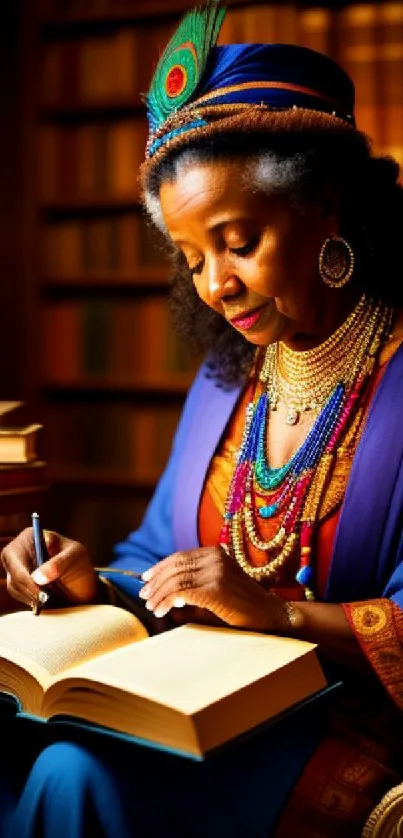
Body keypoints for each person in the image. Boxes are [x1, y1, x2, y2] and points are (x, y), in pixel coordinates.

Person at [1, 2, 403, 836]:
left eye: (237, 240)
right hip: (197, 698)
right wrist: (96, 584)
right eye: (191, 258)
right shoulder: (230, 378)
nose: (213, 285)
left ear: (326, 208)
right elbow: (158, 553)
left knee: (77, 776)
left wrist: (280, 612)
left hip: (344, 720)